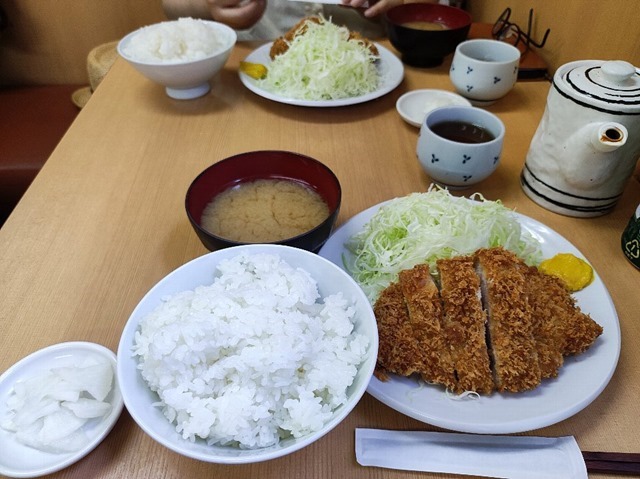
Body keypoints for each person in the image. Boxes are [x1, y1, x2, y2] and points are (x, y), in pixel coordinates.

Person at [161, 0, 413, 41]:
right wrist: (210, 4)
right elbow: (172, 5)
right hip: (254, 67)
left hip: (377, 60)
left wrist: (399, 4)